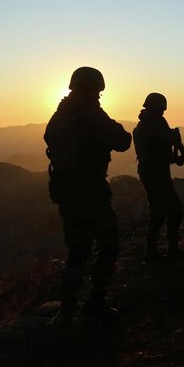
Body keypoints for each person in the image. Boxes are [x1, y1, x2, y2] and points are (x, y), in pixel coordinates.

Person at [44, 66, 132, 326]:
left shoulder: (58, 116)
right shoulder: (91, 115)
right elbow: (123, 141)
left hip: (65, 191)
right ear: (96, 89)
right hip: (91, 190)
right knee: (109, 245)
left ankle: (67, 310)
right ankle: (95, 302)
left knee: (77, 249)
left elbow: (49, 138)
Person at [133, 92, 184, 263]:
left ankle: (152, 252)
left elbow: (161, 150)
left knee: (158, 212)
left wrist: (177, 156)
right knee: (173, 210)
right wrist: (177, 148)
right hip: (155, 173)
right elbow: (163, 145)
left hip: (152, 172)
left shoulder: (146, 123)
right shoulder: (153, 124)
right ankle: (167, 251)